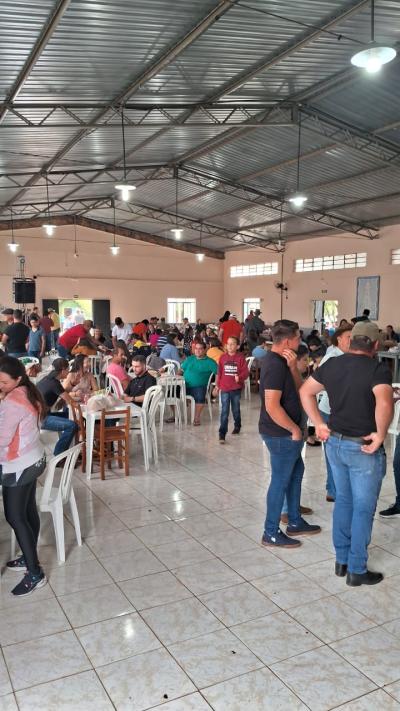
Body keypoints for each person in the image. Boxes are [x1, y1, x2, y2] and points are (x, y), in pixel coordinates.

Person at [300, 321, 393, 586]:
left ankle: (341, 561)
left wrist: (318, 423)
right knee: (363, 509)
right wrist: (381, 435)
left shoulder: (333, 364)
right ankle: (357, 569)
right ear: (375, 345)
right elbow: (384, 402)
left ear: (351, 341)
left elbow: (306, 392)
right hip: (362, 447)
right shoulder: (377, 369)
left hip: (336, 444)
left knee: (344, 501)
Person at [259, 319, 321, 548]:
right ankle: (271, 531)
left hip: (288, 433)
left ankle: (294, 521)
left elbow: (299, 389)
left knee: (295, 474)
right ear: (287, 341)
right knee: (280, 481)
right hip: (280, 434)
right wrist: (294, 429)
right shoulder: (274, 364)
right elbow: (272, 406)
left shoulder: (284, 363)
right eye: (297, 337)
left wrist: (294, 368)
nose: (300, 341)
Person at [0, 356, 47, 596]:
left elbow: (3, 440)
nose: (1, 386)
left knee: (15, 516)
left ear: (18, 379)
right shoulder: (28, 391)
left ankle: (35, 573)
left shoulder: (12, 401)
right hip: (35, 459)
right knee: (27, 512)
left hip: (19, 465)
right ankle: (28, 558)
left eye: (4, 382)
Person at [318, 325, 353, 502]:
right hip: (330, 411)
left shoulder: (351, 357)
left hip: (343, 411)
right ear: (339, 339)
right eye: (349, 337)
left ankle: (336, 488)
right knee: (333, 453)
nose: (352, 340)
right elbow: (320, 381)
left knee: (341, 452)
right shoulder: (332, 357)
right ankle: (332, 489)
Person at [37, 358, 78, 455]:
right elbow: (70, 401)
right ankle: (59, 456)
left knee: (69, 414)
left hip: (43, 414)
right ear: (63, 370)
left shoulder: (48, 379)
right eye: (68, 369)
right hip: (41, 419)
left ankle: (73, 448)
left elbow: (63, 395)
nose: (68, 372)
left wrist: (72, 383)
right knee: (72, 425)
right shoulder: (54, 384)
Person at [214, 336, 248, 443]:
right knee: (224, 411)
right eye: (228, 343)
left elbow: (246, 372)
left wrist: (240, 377)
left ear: (237, 346)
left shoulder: (240, 357)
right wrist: (217, 386)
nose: (229, 346)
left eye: (232, 343)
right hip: (224, 388)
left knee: (235, 409)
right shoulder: (223, 358)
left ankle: (237, 425)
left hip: (236, 388)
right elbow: (219, 373)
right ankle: (222, 433)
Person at [181, 341, 217, 425]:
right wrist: (177, 376)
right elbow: (181, 370)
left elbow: (218, 373)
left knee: (200, 395)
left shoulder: (210, 362)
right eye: (196, 348)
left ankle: (196, 417)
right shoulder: (190, 359)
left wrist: (216, 386)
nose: (197, 350)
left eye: (200, 349)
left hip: (199, 386)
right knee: (169, 392)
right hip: (184, 384)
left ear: (205, 350)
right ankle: (175, 415)